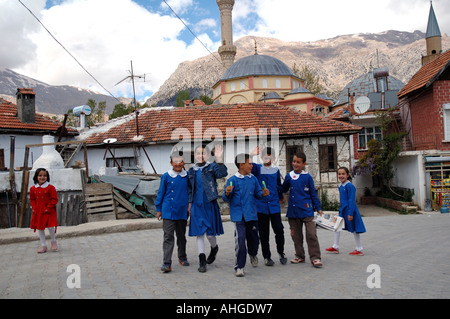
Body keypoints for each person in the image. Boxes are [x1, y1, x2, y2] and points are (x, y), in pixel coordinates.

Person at [222, 153, 270, 277]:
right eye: (250, 163)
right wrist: (227, 193)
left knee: (254, 240)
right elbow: (225, 198)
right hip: (238, 217)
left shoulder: (253, 179)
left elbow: (258, 193)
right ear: (241, 165)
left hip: (252, 215)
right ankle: (239, 266)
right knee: (240, 240)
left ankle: (253, 254)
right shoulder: (232, 180)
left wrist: (263, 194)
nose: (252, 165)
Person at [188, 144, 228, 273]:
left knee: (210, 235)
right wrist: (189, 203)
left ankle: (214, 248)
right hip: (196, 205)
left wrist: (219, 158)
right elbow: (189, 189)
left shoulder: (212, 167)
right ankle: (202, 260)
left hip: (209, 203)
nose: (201, 156)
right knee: (199, 234)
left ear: (208, 155)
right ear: (195, 155)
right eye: (198, 153)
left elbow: (222, 173)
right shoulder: (191, 170)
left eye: (203, 153)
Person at [282, 152, 323, 268]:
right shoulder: (289, 176)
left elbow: (313, 194)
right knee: (296, 236)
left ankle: (315, 258)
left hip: (307, 210)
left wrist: (318, 208)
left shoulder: (307, 177)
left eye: (298, 162)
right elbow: (284, 189)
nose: (295, 164)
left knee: (311, 234)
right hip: (293, 212)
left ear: (304, 164)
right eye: (294, 161)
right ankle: (300, 256)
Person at [250, 146, 286, 266]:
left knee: (279, 229)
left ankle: (281, 252)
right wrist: (251, 154)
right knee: (264, 233)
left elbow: (278, 185)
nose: (267, 159)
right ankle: (267, 257)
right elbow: (248, 165)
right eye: (265, 157)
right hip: (261, 206)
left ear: (274, 158)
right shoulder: (257, 169)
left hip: (274, 205)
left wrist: (280, 194)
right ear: (261, 157)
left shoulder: (276, 170)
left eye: (269, 157)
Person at [155, 152, 190, 273]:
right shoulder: (166, 176)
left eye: (180, 161)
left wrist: (190, 205)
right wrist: (159, 209)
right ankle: (167, 262)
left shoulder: (187, 176)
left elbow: (191, 193)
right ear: (171, 163)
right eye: (175, 162)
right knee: (168, 236)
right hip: (168, 210)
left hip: (182, 211)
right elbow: (161, 192)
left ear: (184, 163)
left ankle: (182, 256)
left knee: (181, 236)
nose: (178, 164)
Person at [326, 167, 366, 256]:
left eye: (343, 174)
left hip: (350, 210)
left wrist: (350, 213)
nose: (341, 176)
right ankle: (335, 246)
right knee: (336, 227)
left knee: (354, 228)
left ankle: (359, 248)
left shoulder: (350, 186)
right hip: (342, 210)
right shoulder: (340, 185)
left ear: (347, 175)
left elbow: (351, 200)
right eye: (339, 174)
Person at [29, 168, 59, 254]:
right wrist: (34, 208)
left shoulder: (50, 188)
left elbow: (54, 199)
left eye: (44, 175)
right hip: (38, 211)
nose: (42, 177)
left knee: (50, 227)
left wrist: (48, 207)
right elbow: (32, 199)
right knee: (40, 228)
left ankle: (53, 241)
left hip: (49, 211)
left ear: (47, 177)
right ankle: (43, 245)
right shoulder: (33, 189)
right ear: (36, 177)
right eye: (40, 175)